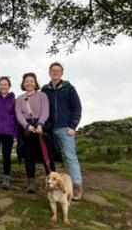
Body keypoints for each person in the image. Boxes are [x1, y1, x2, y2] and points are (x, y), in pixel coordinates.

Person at [42, 62, 83, 200]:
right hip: (49, 129)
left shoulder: (69, 88)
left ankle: (76, 187)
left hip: (65, 129)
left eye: (58, 70)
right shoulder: (45, 90)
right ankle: (53, 185)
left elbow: (77, 108)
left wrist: (73, 126)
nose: (55, 72)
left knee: (70, 157)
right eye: (53, 70)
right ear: (49, 72)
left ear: (62, 73)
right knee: (51, 158)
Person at [15, 72, 55, 193]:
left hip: (42, 128)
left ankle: (53, 180)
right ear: (23, 83)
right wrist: (26, 126)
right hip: (27, 129)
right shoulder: (19, 99)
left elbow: (45, 111)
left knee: (47, 155)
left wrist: (40, 124)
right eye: (27, 81)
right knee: (29, 156)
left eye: (31, 81)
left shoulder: (42, 95)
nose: (29, 83)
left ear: (35, 83)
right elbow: (19, 114)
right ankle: (31, 181)